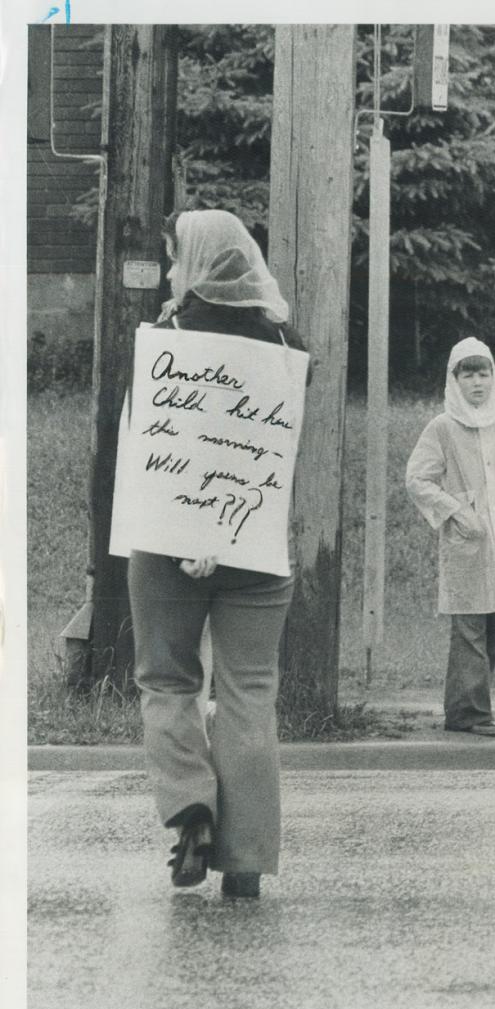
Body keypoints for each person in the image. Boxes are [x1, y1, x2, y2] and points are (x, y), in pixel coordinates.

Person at [130, 208, 306, 900]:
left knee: (168, 680)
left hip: (168, 537)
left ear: (197, 266)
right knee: (248, 696)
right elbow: (276, 448)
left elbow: (145, 442)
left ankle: (190, 808)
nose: (172, 272)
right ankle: (246, 860)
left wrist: (192, 533)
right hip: (257, 544)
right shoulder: (288, 345)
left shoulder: (164, 341)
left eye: (176, 260)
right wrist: (227, 532)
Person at [406, 338, 495, 738]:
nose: (477, 382)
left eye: (484, 373)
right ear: (454, 379)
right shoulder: (442, 427)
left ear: (493, 376)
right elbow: (418, 479)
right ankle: (470, 713)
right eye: (468, 374)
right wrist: (457, 512)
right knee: (470, 629)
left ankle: (462, 704)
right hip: (466, 540)